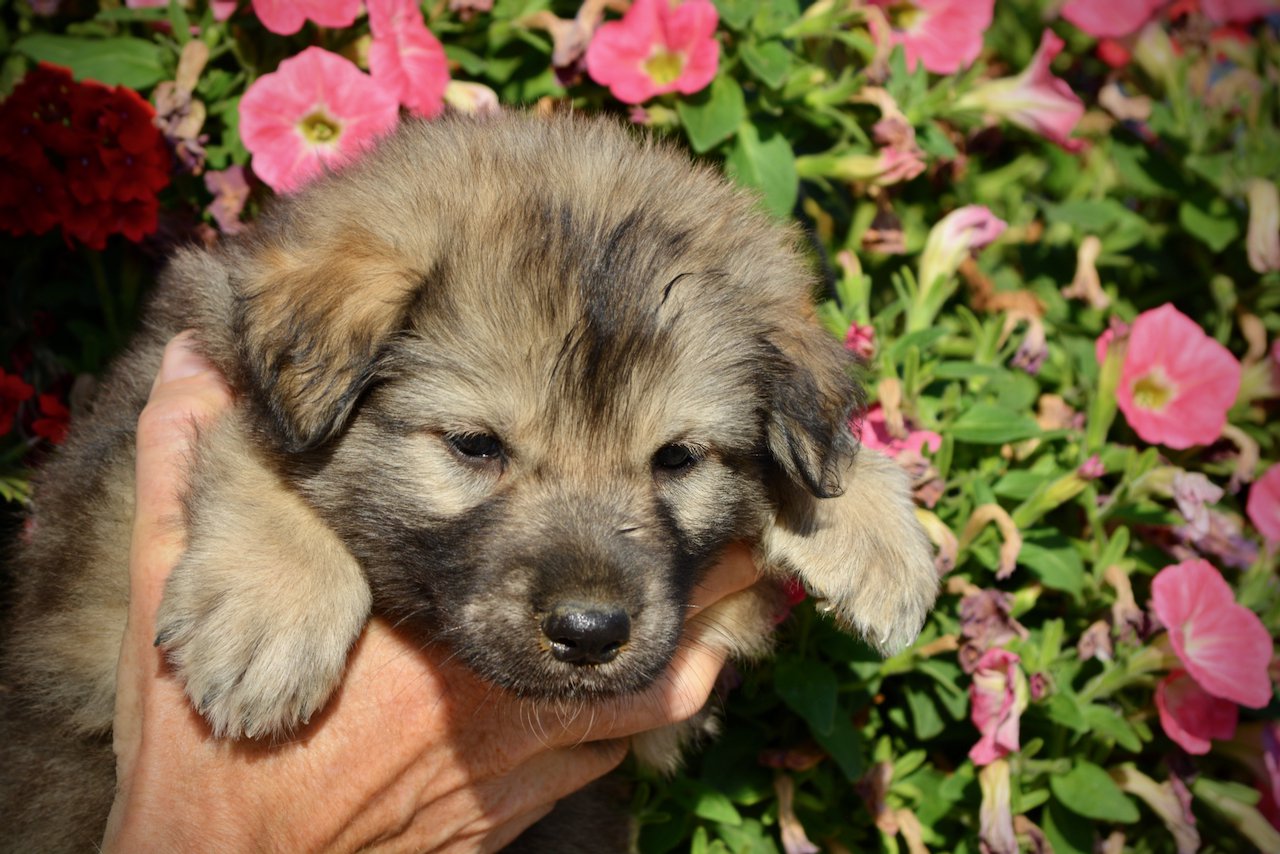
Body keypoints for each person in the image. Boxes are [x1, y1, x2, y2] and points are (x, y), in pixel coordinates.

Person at [101, 333, 761, 852]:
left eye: (672, 459)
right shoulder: (286, 389)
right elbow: (260, 430)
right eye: (477, 445)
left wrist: (824, 504)